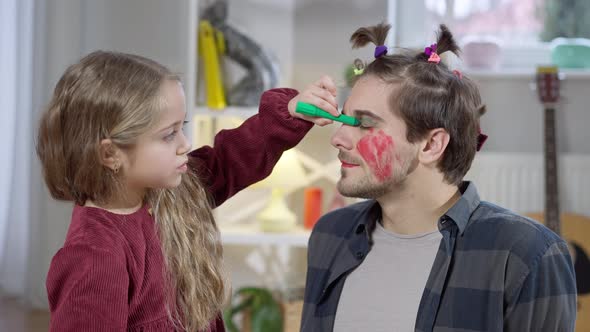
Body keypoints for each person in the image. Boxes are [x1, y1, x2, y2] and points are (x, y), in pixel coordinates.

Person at [300, 23, 577, 332]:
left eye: (364, 123)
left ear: (431, 145)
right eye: (344, 119)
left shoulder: (526, 254)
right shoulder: (330, 235)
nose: (338, 138)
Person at [36, 50, 338, 331]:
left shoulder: (173, 188)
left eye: (183, 127)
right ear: (110, 154)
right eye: (169, 135)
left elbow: (231, 158)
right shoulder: (94, 257)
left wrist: (290, 112)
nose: (185, 144)